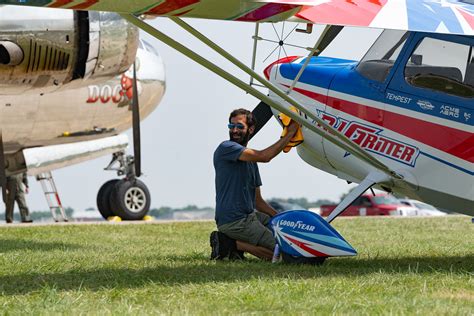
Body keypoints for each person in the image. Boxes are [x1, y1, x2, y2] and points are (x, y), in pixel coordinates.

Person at [211, 108, 299, 260]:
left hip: (250, 216)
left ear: (250, 129)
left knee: (287, 234)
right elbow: (265, 156)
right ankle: (231, 244)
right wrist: (290, 133)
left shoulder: (251, 162)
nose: (234, 131)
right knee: (286, 255)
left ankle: (233, 246)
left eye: (239, 126)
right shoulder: (226, 148)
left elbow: (257, 201)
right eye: (231, 126)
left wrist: (279, 218)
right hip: (234, 221)